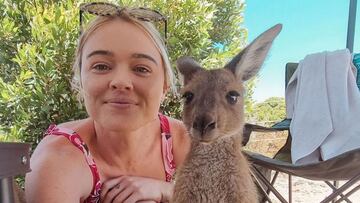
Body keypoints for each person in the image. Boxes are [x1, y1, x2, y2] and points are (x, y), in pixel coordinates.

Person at [25, 2, 190, 203]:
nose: (120, 82)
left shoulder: (188, 141)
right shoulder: (57, 159)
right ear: (80, 80)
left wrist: (167, 191)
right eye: (101, 66)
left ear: (164, 85)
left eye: (141, 69)